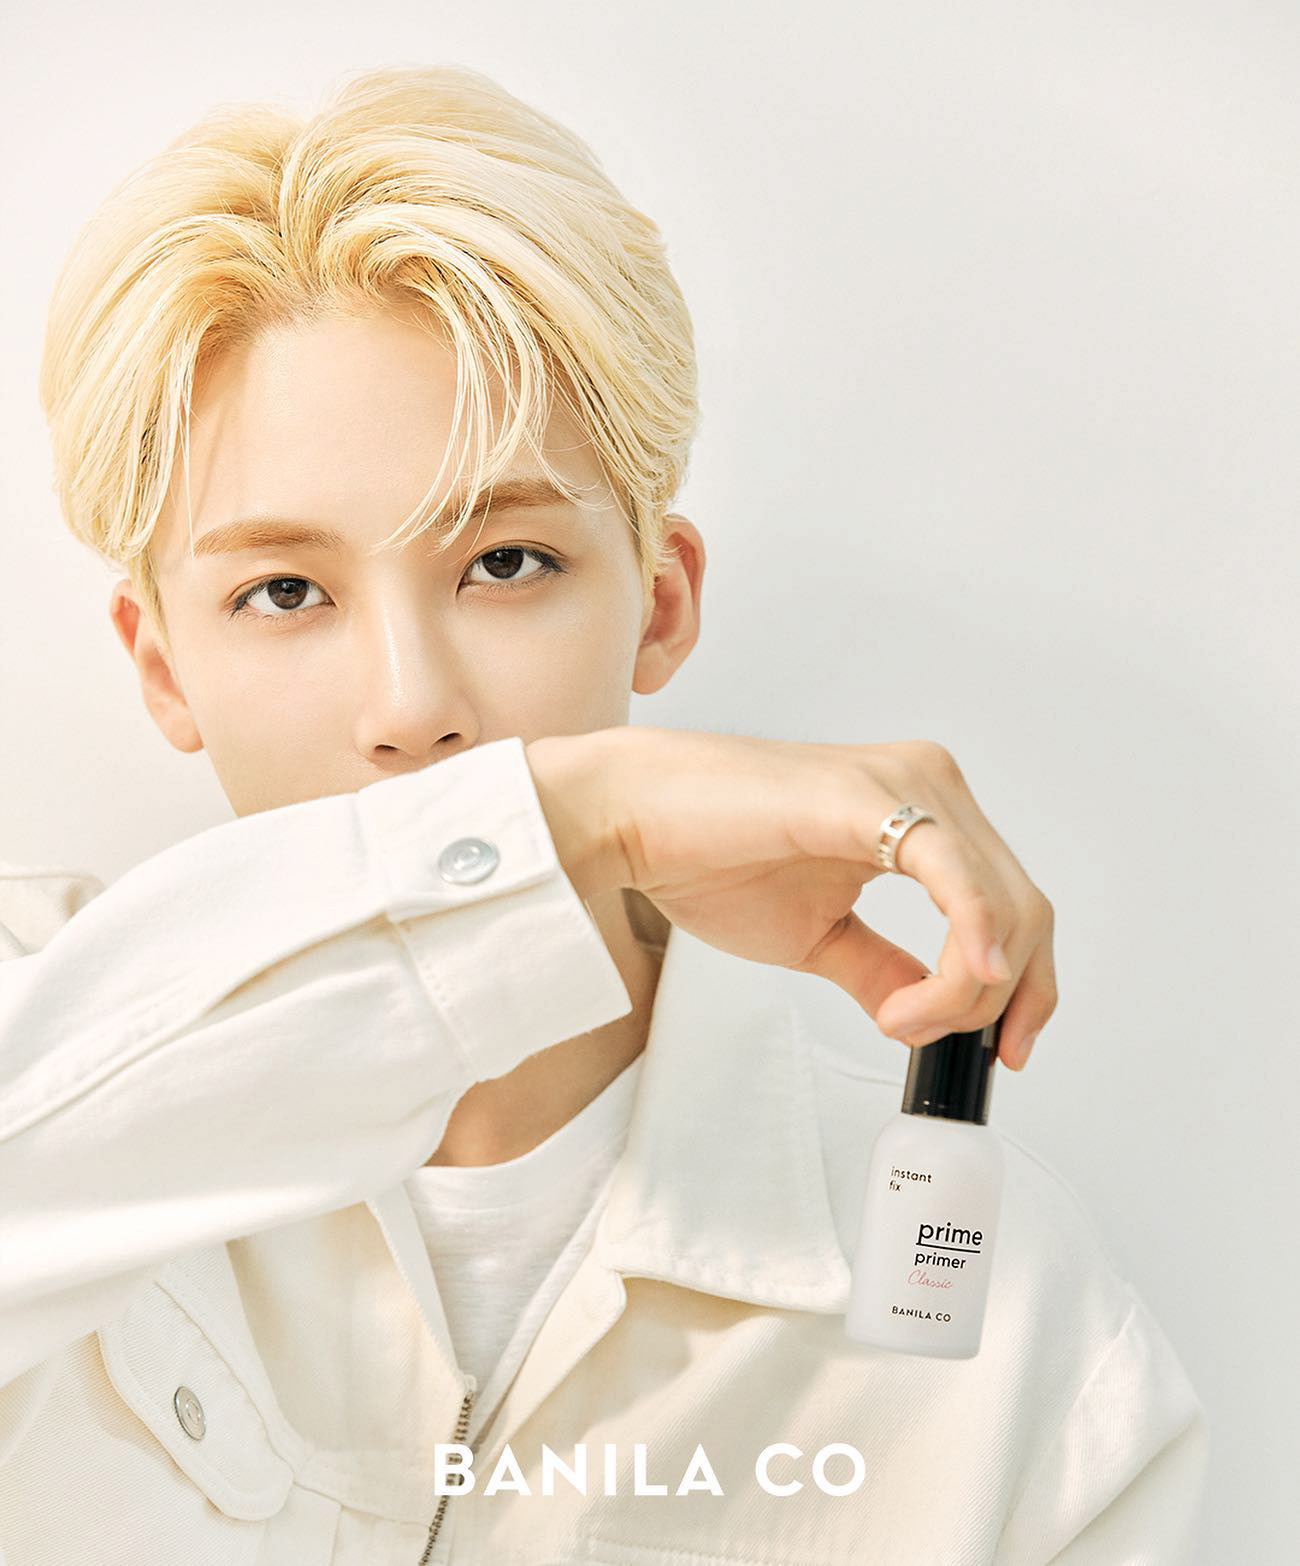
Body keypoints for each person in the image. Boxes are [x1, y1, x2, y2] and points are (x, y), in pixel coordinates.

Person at [0, 64, 1205, 1564]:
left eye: (505, 564)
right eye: (286, 592)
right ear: (162, 666)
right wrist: (584, 815)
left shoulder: (1020, 1343)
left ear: (662, 600)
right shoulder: (33, 1042)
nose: (410, 705)